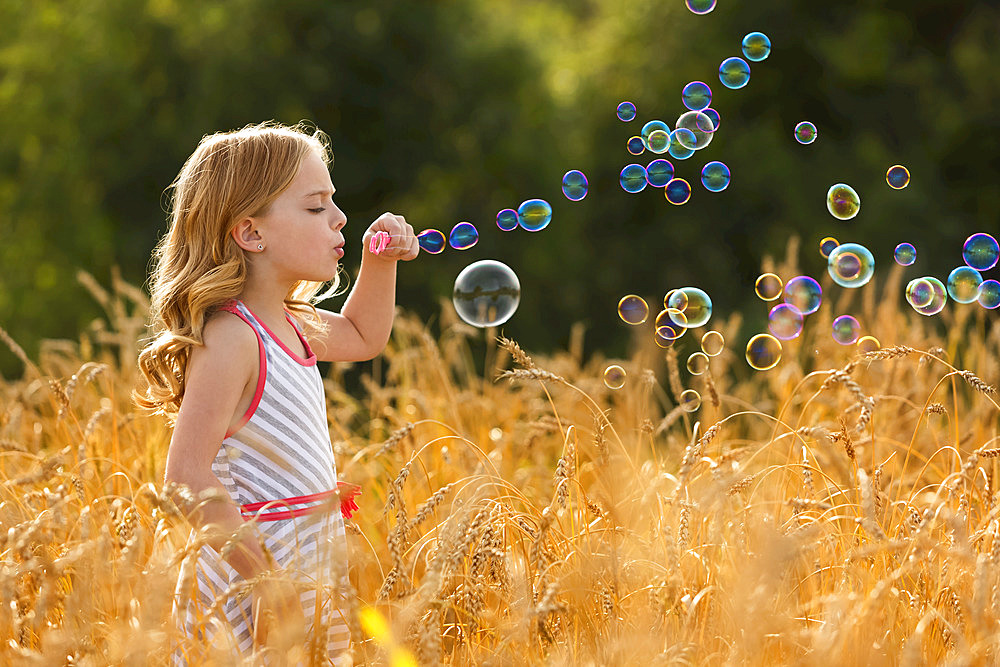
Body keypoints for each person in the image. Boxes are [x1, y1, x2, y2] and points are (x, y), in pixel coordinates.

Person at [135, 121, 418, 664]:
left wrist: (379, 263)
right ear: (250, 232)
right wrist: (265, 582)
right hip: (254, 571)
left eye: (333, 203)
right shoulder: (234, 336)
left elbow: (362, 337)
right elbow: (185, 477)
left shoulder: (290, 323)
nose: (338, 218)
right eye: (316, 207)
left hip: (307, 559)